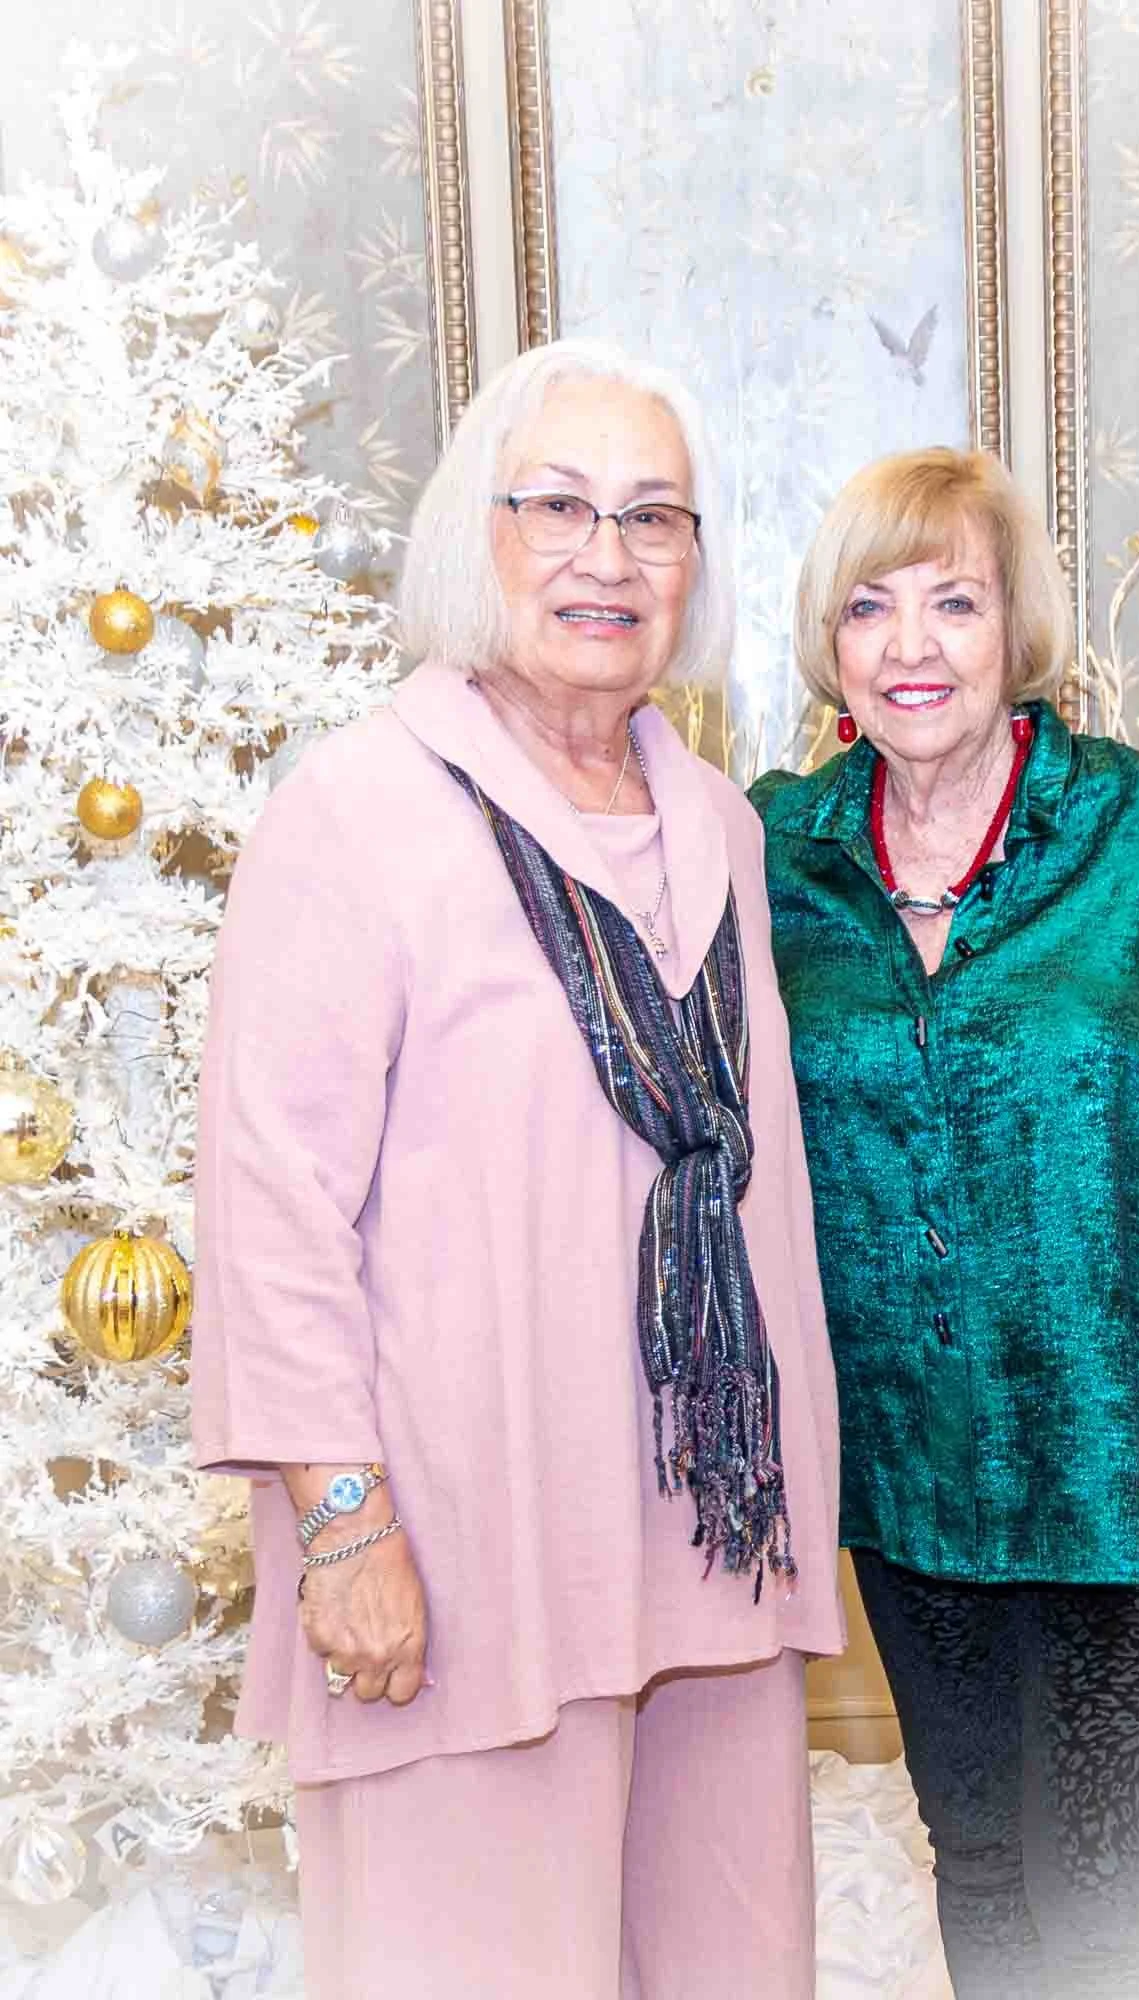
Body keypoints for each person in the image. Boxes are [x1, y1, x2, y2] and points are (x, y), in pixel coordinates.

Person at [192, 337, 843, 2000]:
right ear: (470, 540)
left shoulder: (720, 825)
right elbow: (274, 1202)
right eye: (556, 505)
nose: (605, 557)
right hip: (464, 1547)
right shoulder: (357, 811)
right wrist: (341, 1526)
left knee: (726, 1961)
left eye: (652, 516)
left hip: (710, 1533)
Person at [750, 446, 1139, 1999]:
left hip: (1116, 1463)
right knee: (978, 1849)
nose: (912, 647)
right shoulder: (774, 851)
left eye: (953, 602)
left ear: (1014, 630)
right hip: (902, 1464)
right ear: (832, 645)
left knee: (1100, 1873)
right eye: (871, 608)